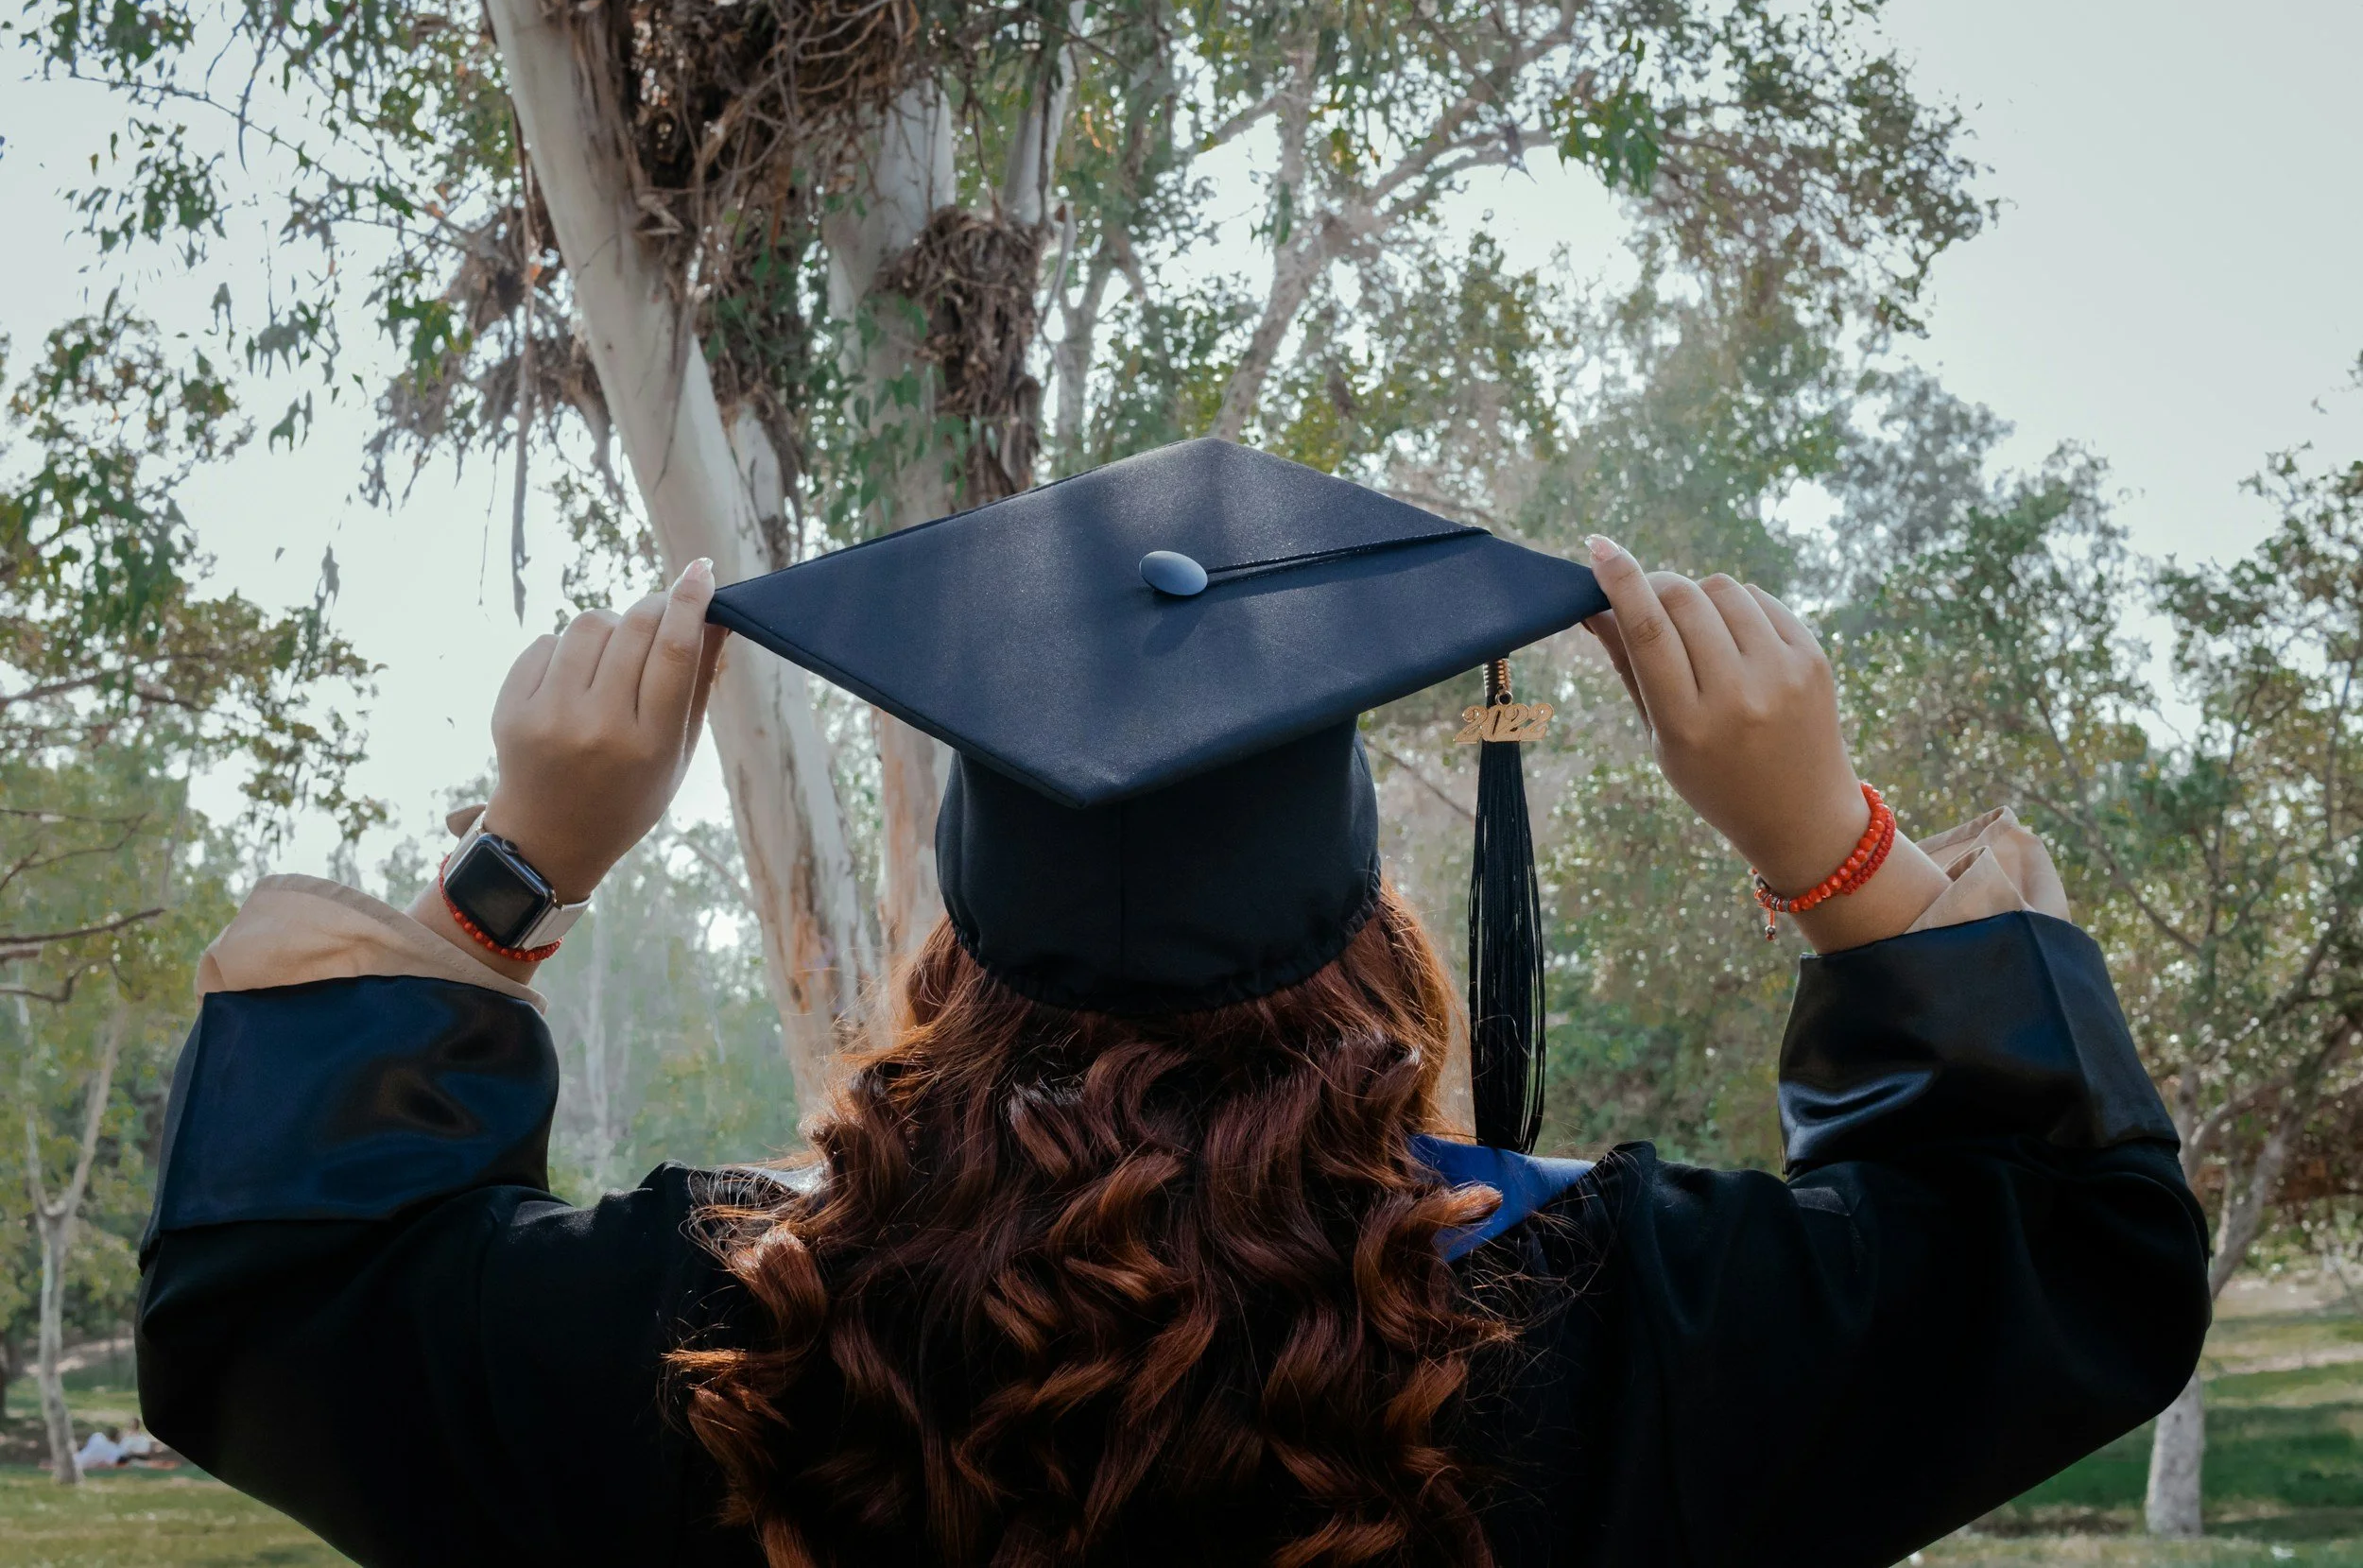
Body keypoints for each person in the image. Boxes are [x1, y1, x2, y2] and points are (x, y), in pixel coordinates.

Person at [137, 440, 2209, 1568]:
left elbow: (277, 1289)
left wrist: (519, 863)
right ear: (1364, 930)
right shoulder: (1625, 1321)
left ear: (953, 951)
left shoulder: (708, 1332)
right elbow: (2066, 1257)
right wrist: (1831, 849)